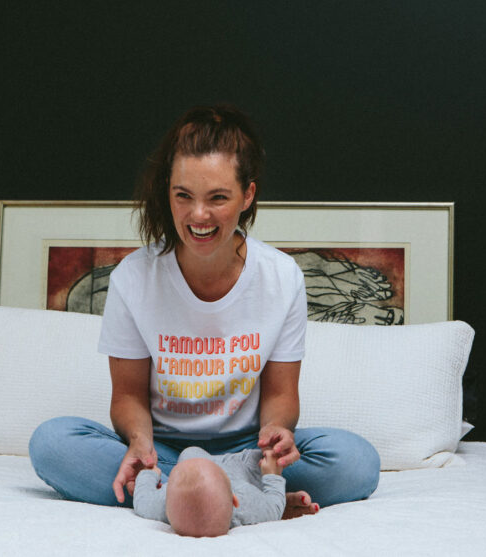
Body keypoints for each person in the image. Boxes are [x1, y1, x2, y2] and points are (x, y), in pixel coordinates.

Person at [29, 104, 379, 518]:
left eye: (217, 198)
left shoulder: (282, 277)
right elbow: (126, 396)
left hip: (246, 453)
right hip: (162, 451)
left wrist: (275, 433)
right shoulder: (133, 277)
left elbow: (282, 394)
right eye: (183, 196)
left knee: (356, 462)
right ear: (168, 192)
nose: (198, 215)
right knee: (51, 443)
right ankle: (248, 502)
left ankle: (177, 498)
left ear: (248, 195)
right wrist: (140, 441)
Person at [132, 446, 287, 537]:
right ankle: (285, 496)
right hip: (238, 468)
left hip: (196, 459)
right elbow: (275, 506)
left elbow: (142, 497)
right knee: (263, 457)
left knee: (189, 452)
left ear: (166, 501)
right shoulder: (246, 504)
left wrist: (149, 472)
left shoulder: (160, 505)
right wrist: (272, 473)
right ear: (234, 500)